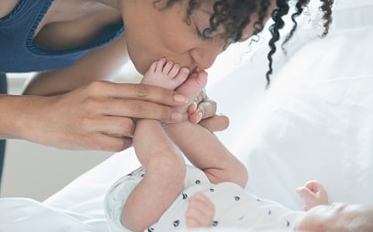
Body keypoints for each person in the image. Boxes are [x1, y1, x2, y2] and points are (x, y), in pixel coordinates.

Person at [0, 0, 368, 205]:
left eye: (229, 40)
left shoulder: (129, 7)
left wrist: (149, 114)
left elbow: (47, 99)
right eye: (203, 30)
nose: (208, 59)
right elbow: (37, 113)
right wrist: (37, 119)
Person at [104, 59, 372, 231]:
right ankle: (177, 118)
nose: (339, 204)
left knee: (169, 167)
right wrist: (319, 208)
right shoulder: (298, 224)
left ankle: (147, 110)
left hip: (149, 214)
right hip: (194, 188)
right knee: (235, 175)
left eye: (340, 210)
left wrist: (202, 227)